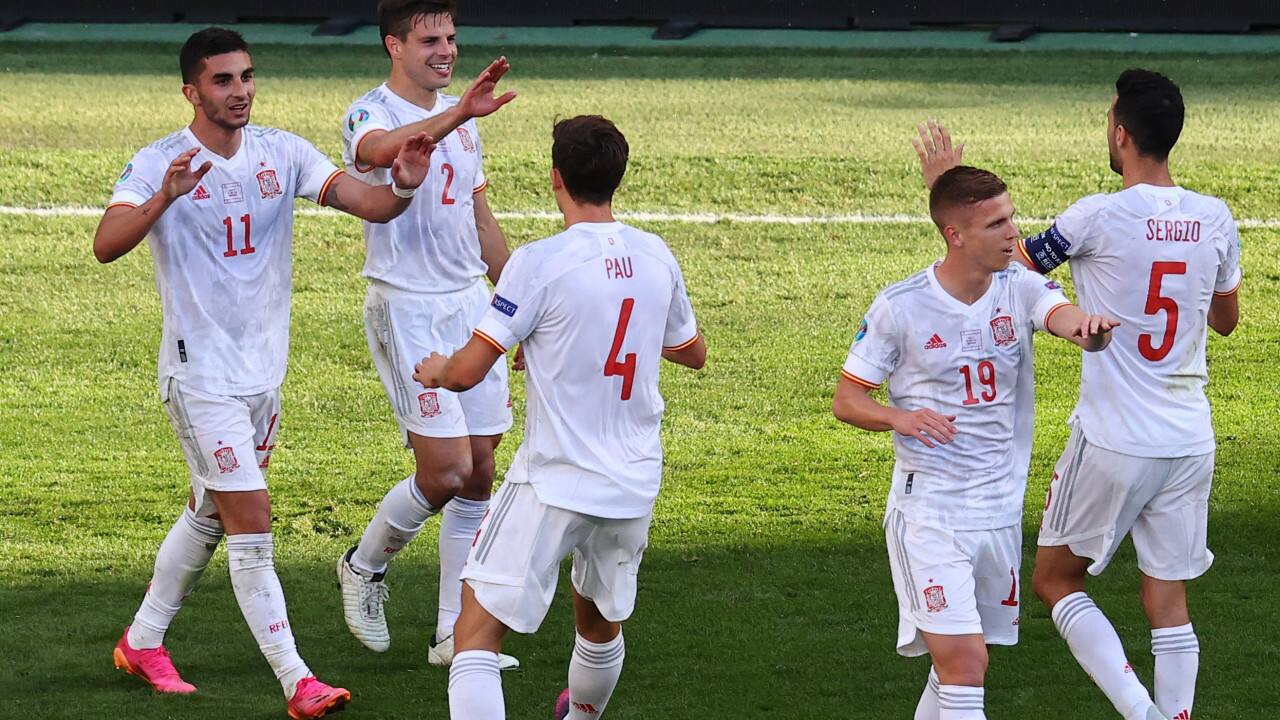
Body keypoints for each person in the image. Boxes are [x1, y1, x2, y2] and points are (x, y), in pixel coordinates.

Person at [97, 27, 434, 719]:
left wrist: (401, 182)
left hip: (262, 377)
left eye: (246, 77)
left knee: (211, 512)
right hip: (200, 378)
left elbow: (368, 204)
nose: (240, 91)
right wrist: (163, 198)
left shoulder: (282, 151)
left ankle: (142, 640)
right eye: (223, 81)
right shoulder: (160, 161)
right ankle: (297, 680)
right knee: (251, 521)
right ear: (191, 91)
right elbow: (106, 245)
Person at [411, 115, 706, 720]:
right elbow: (692, 352)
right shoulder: (656, 254)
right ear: (616, 178)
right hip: (633, 482)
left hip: (553, 478)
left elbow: (468, 370)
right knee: (598, 626)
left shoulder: (539, 262)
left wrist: (438, 369)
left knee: (474, 639)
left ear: (556, 178)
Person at [833, 161, 1117, 720]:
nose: (1014, 233)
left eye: (1011, 218)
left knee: (964, 666)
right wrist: (900, 418)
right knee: (964, 666)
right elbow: (848, 399)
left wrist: (1086, 329)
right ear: (954, 235)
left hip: (998, 513)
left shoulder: (1020, 286)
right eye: (996, 224)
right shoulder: (901, 305)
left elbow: (1058, 313)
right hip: (930, 514)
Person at [1019, 70, 1238, 720]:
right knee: (1166, 600)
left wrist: (1063, 305)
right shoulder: (1214, 218)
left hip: (1115, 438)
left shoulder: (1096, 215)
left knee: (1055, 580)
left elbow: (1017, 269)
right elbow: (1225, 319)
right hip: (1189, 440)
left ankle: (1142, 714)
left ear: (1121, 132)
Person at [333, 0, 521, 669]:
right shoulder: (371, 111)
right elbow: (375, 152)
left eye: (451, 37)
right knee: (444, 470)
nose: (446, 50)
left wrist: (513, 309)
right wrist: (459, 114)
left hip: (468, 304)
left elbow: (480, 217)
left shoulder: (464, 121)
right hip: (406, 307)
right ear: (394, 45)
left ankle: (450, 634)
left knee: (480, 473)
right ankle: (362, 565)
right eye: (430, 39)